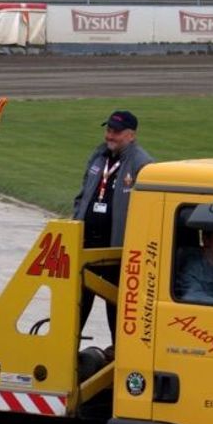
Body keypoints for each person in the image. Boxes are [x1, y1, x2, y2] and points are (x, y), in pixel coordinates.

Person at [72, 110, 154, 343]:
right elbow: (82, 195)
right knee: (75, 309)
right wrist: (77, 217)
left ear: (131, 135)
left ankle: (119, 360)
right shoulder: (98, 156)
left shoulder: (142, 164)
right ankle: (68, 364)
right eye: (108, 129)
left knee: (117, 313)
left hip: (117, 253)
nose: (110, 135)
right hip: (87, 247)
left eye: (116, 132)